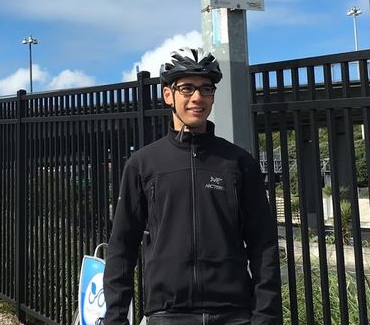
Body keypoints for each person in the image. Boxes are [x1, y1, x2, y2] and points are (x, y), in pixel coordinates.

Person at [104, 48, 281, 325]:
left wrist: (266, 316)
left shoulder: (238, 162)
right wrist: (115, 318)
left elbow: (264, 245)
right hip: (167, 314)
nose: (197, 98)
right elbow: (122, 247)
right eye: (186, 88)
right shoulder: (143, 164)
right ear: (168, 95)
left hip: (234, 314)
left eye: (206, 89)